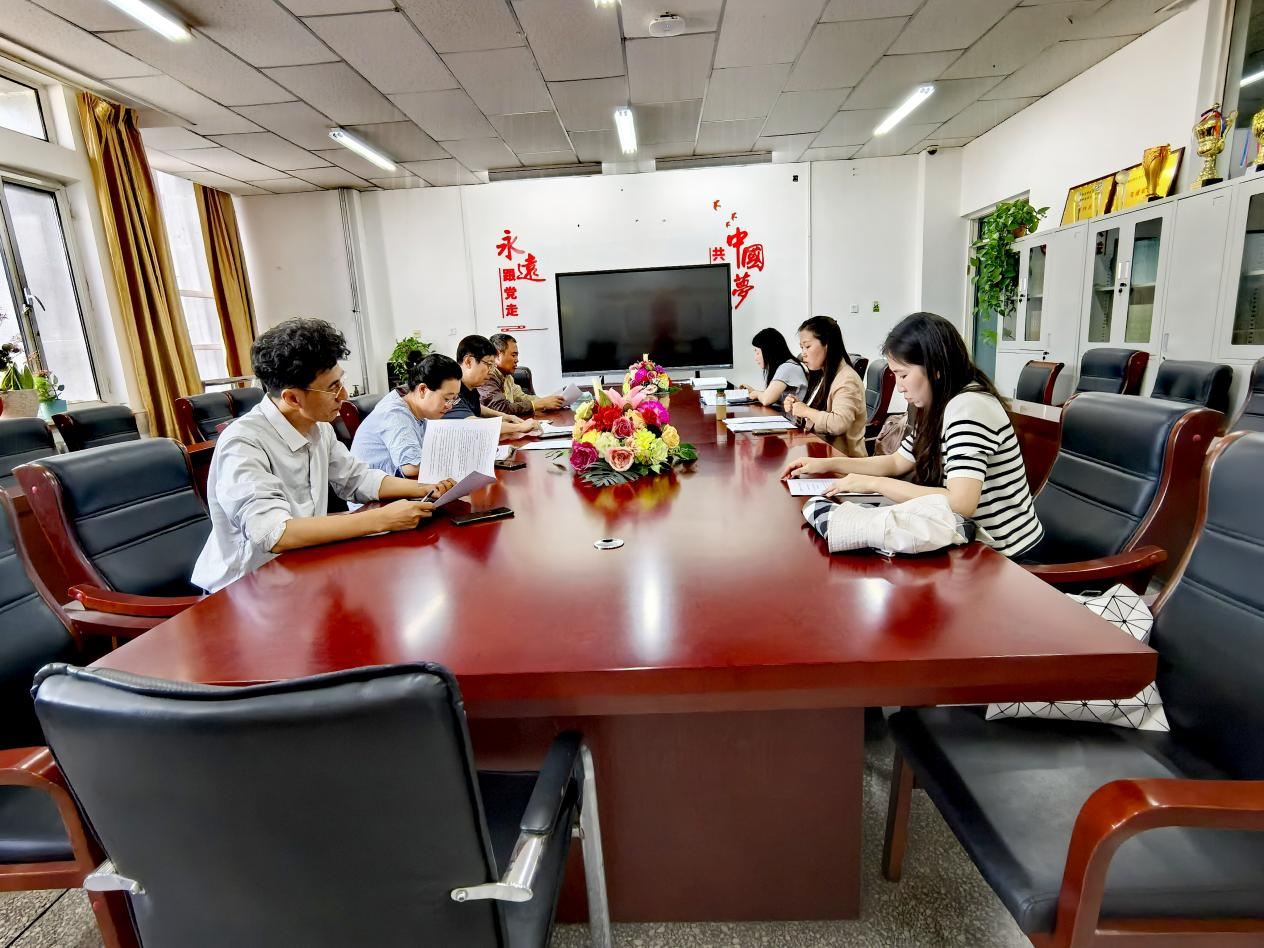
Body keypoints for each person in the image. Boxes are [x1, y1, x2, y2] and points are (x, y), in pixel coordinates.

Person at [191, 318, 455, 593]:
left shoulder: (318, 427)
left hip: (302, 567)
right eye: (332, 387)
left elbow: (356, 479)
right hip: (246, 587)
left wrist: (425, 487)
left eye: (341, 382)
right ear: (292, 398)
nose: (344, 395)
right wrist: (381, 519)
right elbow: (273, 532)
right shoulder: (243, 442)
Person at [782, 311, 1043, 559]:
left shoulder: (969, 407)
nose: (899, 387)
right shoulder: (939, 405)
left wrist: (874, 484)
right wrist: (826, 464)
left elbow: (962, 502)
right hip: (968, 541)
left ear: (936, 368)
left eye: (903, 375)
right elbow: (897, 462)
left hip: (1006, 556)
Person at [351, 351, 462, 479]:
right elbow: (411, 467)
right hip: (372, 490)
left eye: (454, 399)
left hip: (396, 484)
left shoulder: (417, 410)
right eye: (447, 399)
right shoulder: (395, 414)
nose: (450, 406)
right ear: (423, 390)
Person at [783, 315, 866, 457]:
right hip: (823, 454)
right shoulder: (824, 375)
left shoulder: (847, 380)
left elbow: (838, 423)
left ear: (827, 344)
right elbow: (819, 421)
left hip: (844, 462)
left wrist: (806, 411)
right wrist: (797, 408)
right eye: (802, 347)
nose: (803, 354)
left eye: (807, 346)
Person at [445, 334, 539, 437]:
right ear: (468, 361)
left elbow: (477, 407)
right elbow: (474, 425)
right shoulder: (451, 391)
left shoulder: (470, 387)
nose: (491, 371)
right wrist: (519, 427)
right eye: (489, 364)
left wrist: (506, 416)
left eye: (493, 366)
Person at [479, 333, 565, 416]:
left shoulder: (507, 376)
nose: (517, 360)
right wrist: (539, 404)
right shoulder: (487, 376)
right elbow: (501, 408)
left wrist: (549, 401)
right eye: (513, 355)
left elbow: (521, 397)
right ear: (497, 355)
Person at [741, 327, 808, 405]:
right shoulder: (787, 366)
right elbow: (771, 396)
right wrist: (754, 392)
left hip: (792, 413)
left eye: (757, 353)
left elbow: (766, 400)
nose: (755, 358)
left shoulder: (788, 367)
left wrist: (756, 393)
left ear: (768, 351)